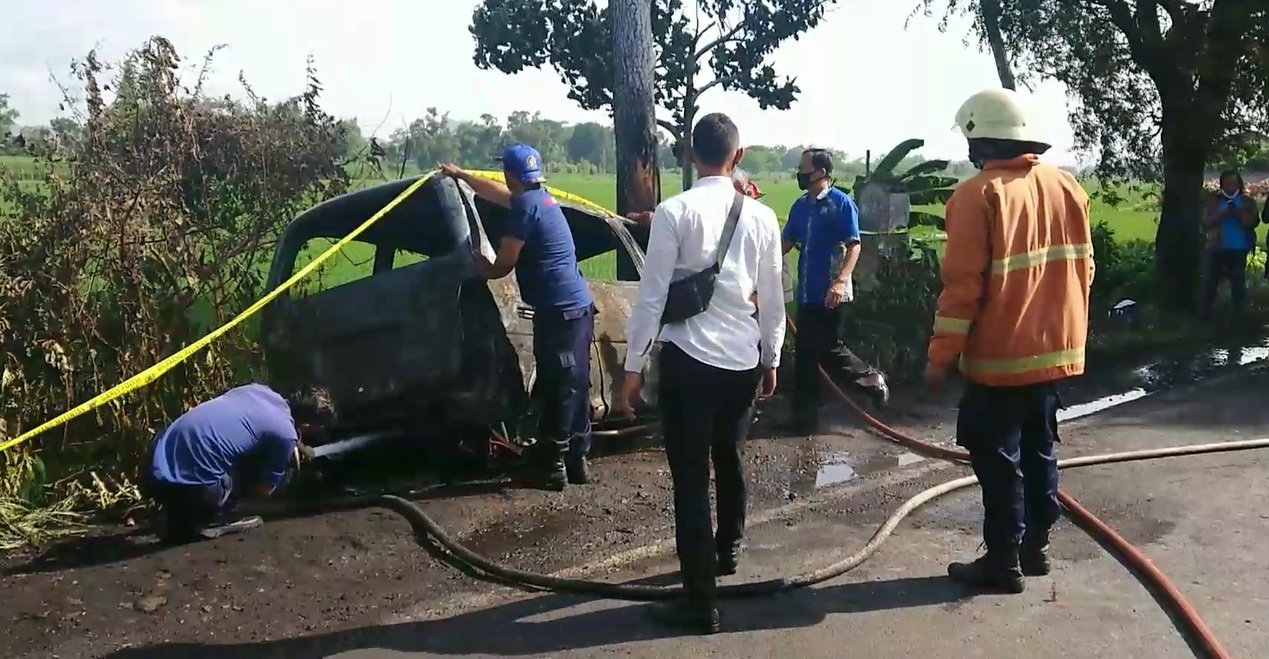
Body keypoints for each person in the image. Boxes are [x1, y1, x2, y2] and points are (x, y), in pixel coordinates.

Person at [617, 113, 785, 634]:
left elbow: (651, 297)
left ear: (691, 154)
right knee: (729, 454)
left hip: (688, 363)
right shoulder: (762, 217)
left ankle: (700, 601)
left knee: (691, 479)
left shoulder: (674, 212)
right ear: (737, 155)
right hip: (740, 360)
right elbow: (773, 297)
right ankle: (729, 547)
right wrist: (771, 356)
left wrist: (632, 366)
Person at [926, 87, 1094, 594]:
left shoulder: (977, 195)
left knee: (997, 459)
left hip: (1000, 359)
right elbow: (1085, 271)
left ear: (982, 140)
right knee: (1040, 448)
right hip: (1055, 354)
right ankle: (1035, 548)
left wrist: (940, 359)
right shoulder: (1068, 188)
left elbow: (962, 290)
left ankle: (1003, 561)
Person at [440, 144, 596, 490]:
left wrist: (485, 269)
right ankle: (576, 458)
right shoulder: (541, 200)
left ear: (511, 174)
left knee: (559, 385)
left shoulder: (524, 209)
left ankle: (553, 464)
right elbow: (499, 195)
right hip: (577, 309)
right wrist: (463, 176)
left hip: (559, 313)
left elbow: (506, 261)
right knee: (575, 383)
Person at [144, 384, 331, 544]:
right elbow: (263, 491)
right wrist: (283, 463)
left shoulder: (257, 390)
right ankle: (211, 518)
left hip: (152, 466)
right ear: (307, 426)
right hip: (191, 489)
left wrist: (296, 444)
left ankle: (177, 511)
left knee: (224, 453)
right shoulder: (285, 435)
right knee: (264, 474)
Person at [780, 148, 862, 434]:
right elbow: (786, 241)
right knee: (806, 356)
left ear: (821, 173)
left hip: (831, 292)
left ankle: (870, 381)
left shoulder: (841, 204)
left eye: (804, 169)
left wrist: (841, 281)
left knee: (827, 349)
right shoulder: (800, 206)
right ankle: (804, 419)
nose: (800, 174)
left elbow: (854, 245)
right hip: (807, 292)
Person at [1201, 170, 1259, 315]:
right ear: (1222, 184)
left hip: (1239, 247)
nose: (1231, 186)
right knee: (1211, 282)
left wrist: (1239, 213)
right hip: (1217, 247)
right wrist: (1221, 214)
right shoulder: (1213, 200)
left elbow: (1253, 222)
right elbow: (1205, 222)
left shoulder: (1247, 201)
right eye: (1227, 183)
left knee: (1238, 283)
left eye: (1234, 182)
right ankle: (1206, 315)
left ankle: (1238, 316)